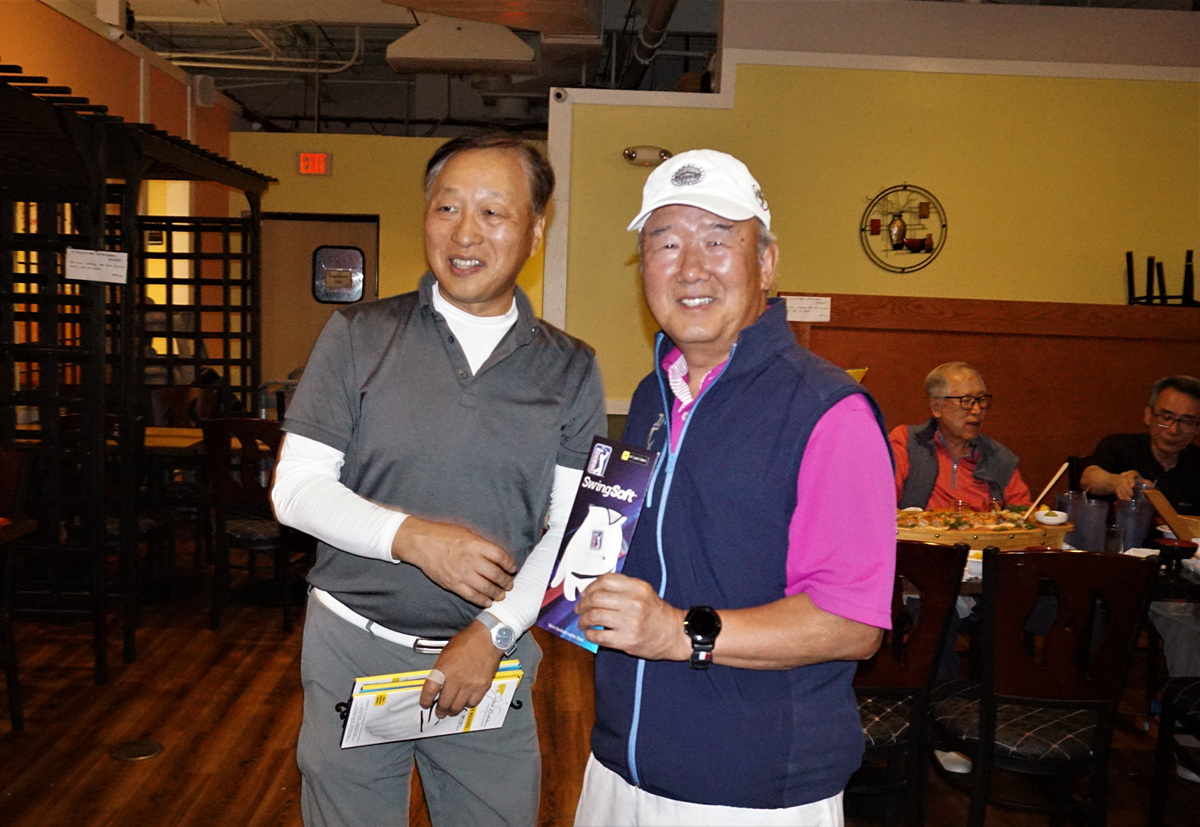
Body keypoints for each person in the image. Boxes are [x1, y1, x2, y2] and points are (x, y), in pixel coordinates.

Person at [270, 132, 606, 826]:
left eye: (493, 212)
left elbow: (574, 529)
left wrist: (494, 631)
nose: (464, 233)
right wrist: (415, 539)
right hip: (352, 645)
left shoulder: (570, 366)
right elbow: (295, 489)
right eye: (447, 207)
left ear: (534, 231)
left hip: (490, 659)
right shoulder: (359, 334)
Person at [572, 149, 895, 825]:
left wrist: (676, 631)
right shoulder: (652, 395)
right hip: (620, 766)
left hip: (751, 788)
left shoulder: (828, 411)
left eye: (719, 240)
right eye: (666, 243)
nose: (691, 267)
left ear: (766, 264)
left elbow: (852, 623)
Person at [891, 361, 1032, 511]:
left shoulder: (999, 458)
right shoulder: (907, 441)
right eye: (966, 401)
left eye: (981, 400)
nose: (977, 411)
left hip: (983, 527)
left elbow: (1023, 514)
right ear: (936, 407)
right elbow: (881, 501)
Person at [1081, 374, 1200, 514]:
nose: (1174, 430)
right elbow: (1089, 478)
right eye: (1166, 417)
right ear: (1148, 415)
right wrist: (1118, 482)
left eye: (1187, 422)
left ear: (1197, 429)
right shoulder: (1120, 446)